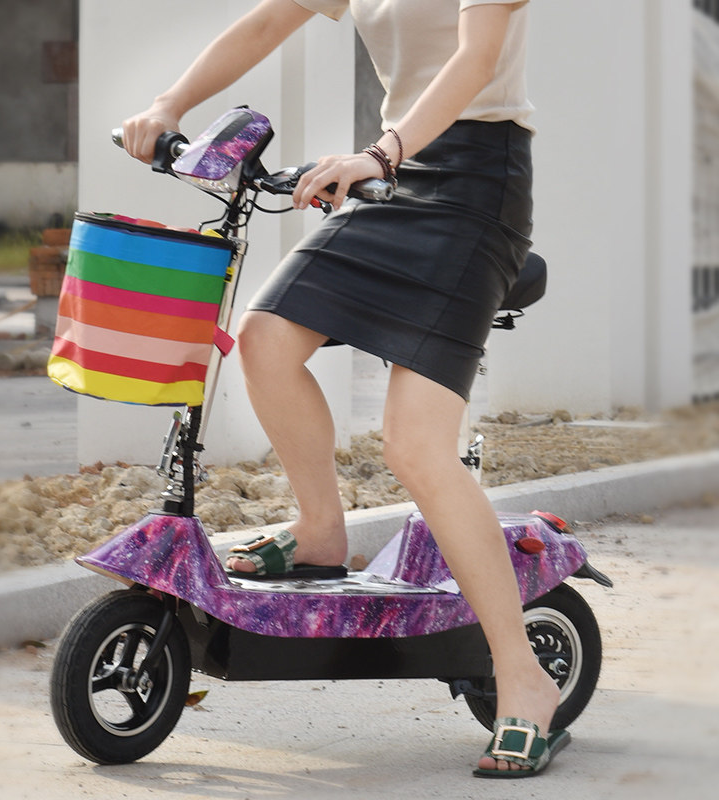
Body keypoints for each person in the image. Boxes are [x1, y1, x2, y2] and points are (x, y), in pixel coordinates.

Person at [123, 0, 566, 778]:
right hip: (400, 175)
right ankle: (321, 530)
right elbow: (267, 22)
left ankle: (522, 675)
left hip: (478, 187)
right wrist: (168, 104)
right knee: (266, 339)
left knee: (416, 447)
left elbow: (474, 58)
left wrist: (379, 154)